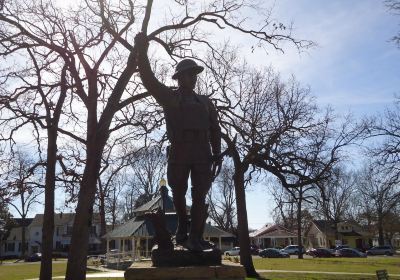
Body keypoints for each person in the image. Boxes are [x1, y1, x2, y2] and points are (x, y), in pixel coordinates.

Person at [135, 33, 221, 252]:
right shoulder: (170, 98)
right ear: (179, 77)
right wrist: (141, 52)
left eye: (195, 74)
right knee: (179, 193)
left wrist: (217, 153)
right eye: (189, 74)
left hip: (203, 150)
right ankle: (182, 232)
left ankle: (196, 237)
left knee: (200, 194)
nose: (193, 77)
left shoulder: (206, 102)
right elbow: (149, 79)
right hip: (180, 149)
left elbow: (215, 129)